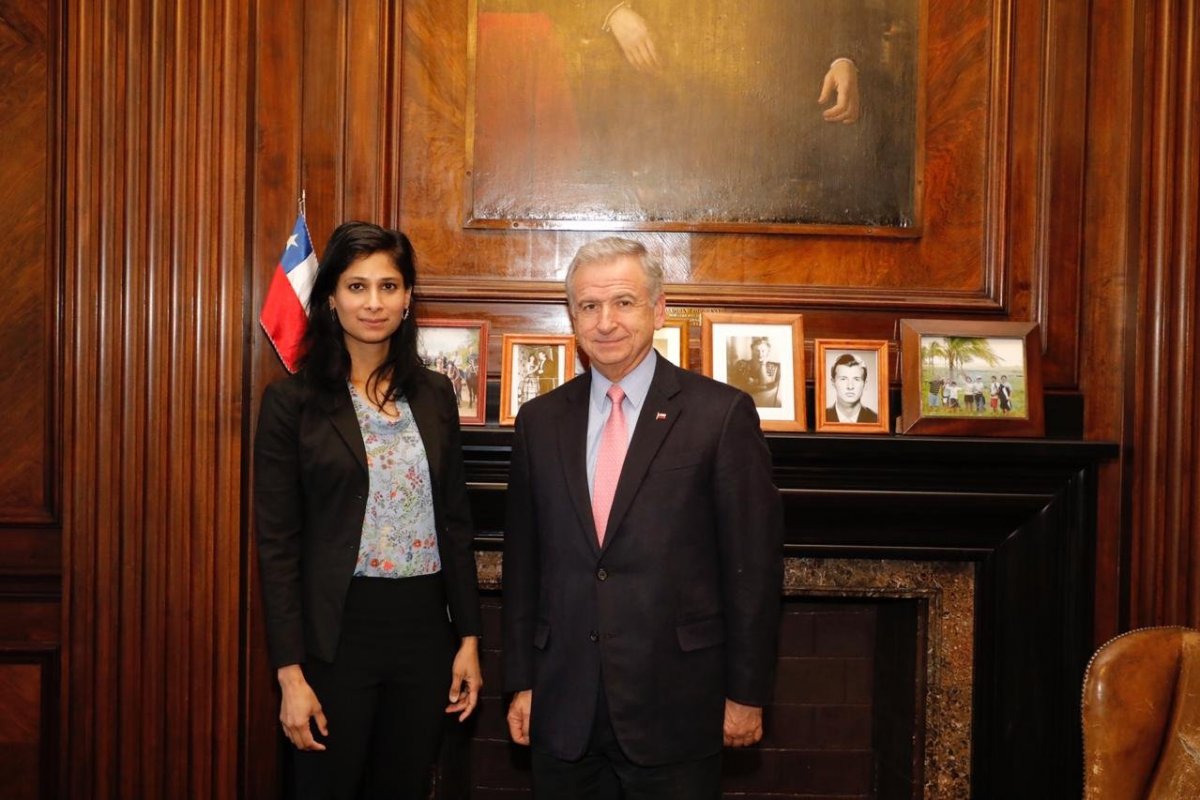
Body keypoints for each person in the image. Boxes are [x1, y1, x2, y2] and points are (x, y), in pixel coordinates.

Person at [503, 237, 784, 799]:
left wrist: (746, 694)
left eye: (624, 302)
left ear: (658, 309)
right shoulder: (539, 421)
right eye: (589, 306)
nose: (606, 321)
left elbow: (752, 571)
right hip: (563, 708)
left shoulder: (720, 415)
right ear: (572, 318)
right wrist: (522, 683)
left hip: (676, 707)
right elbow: (522, 568)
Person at [254, 221, 483, 800]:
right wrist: (289, 673)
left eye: (388, 285)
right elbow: (276, 544)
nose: (373, 302)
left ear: (408, 298)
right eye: (357, 287)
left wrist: (470, 639)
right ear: (331, 297)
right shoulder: (292, 402)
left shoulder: (435, 394)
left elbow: (455, 522)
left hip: (425, 634)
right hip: (335, 639)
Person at [728, 336, 782, 408]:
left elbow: (766, 385)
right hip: (743, 402)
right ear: (752, 350)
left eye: (763, 351)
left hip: (765, 402)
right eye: (757, 350)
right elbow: (735, 383)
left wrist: (763, 364)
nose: (760, 354)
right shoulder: (742, 364)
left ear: (768, 352)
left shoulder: (773, 367)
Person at [824, 353, 878, 423]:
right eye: (843, 379)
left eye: (856, 379)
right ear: (833, 383)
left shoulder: (876, 419)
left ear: (865, 384)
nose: (850, 386)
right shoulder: (822, 418)